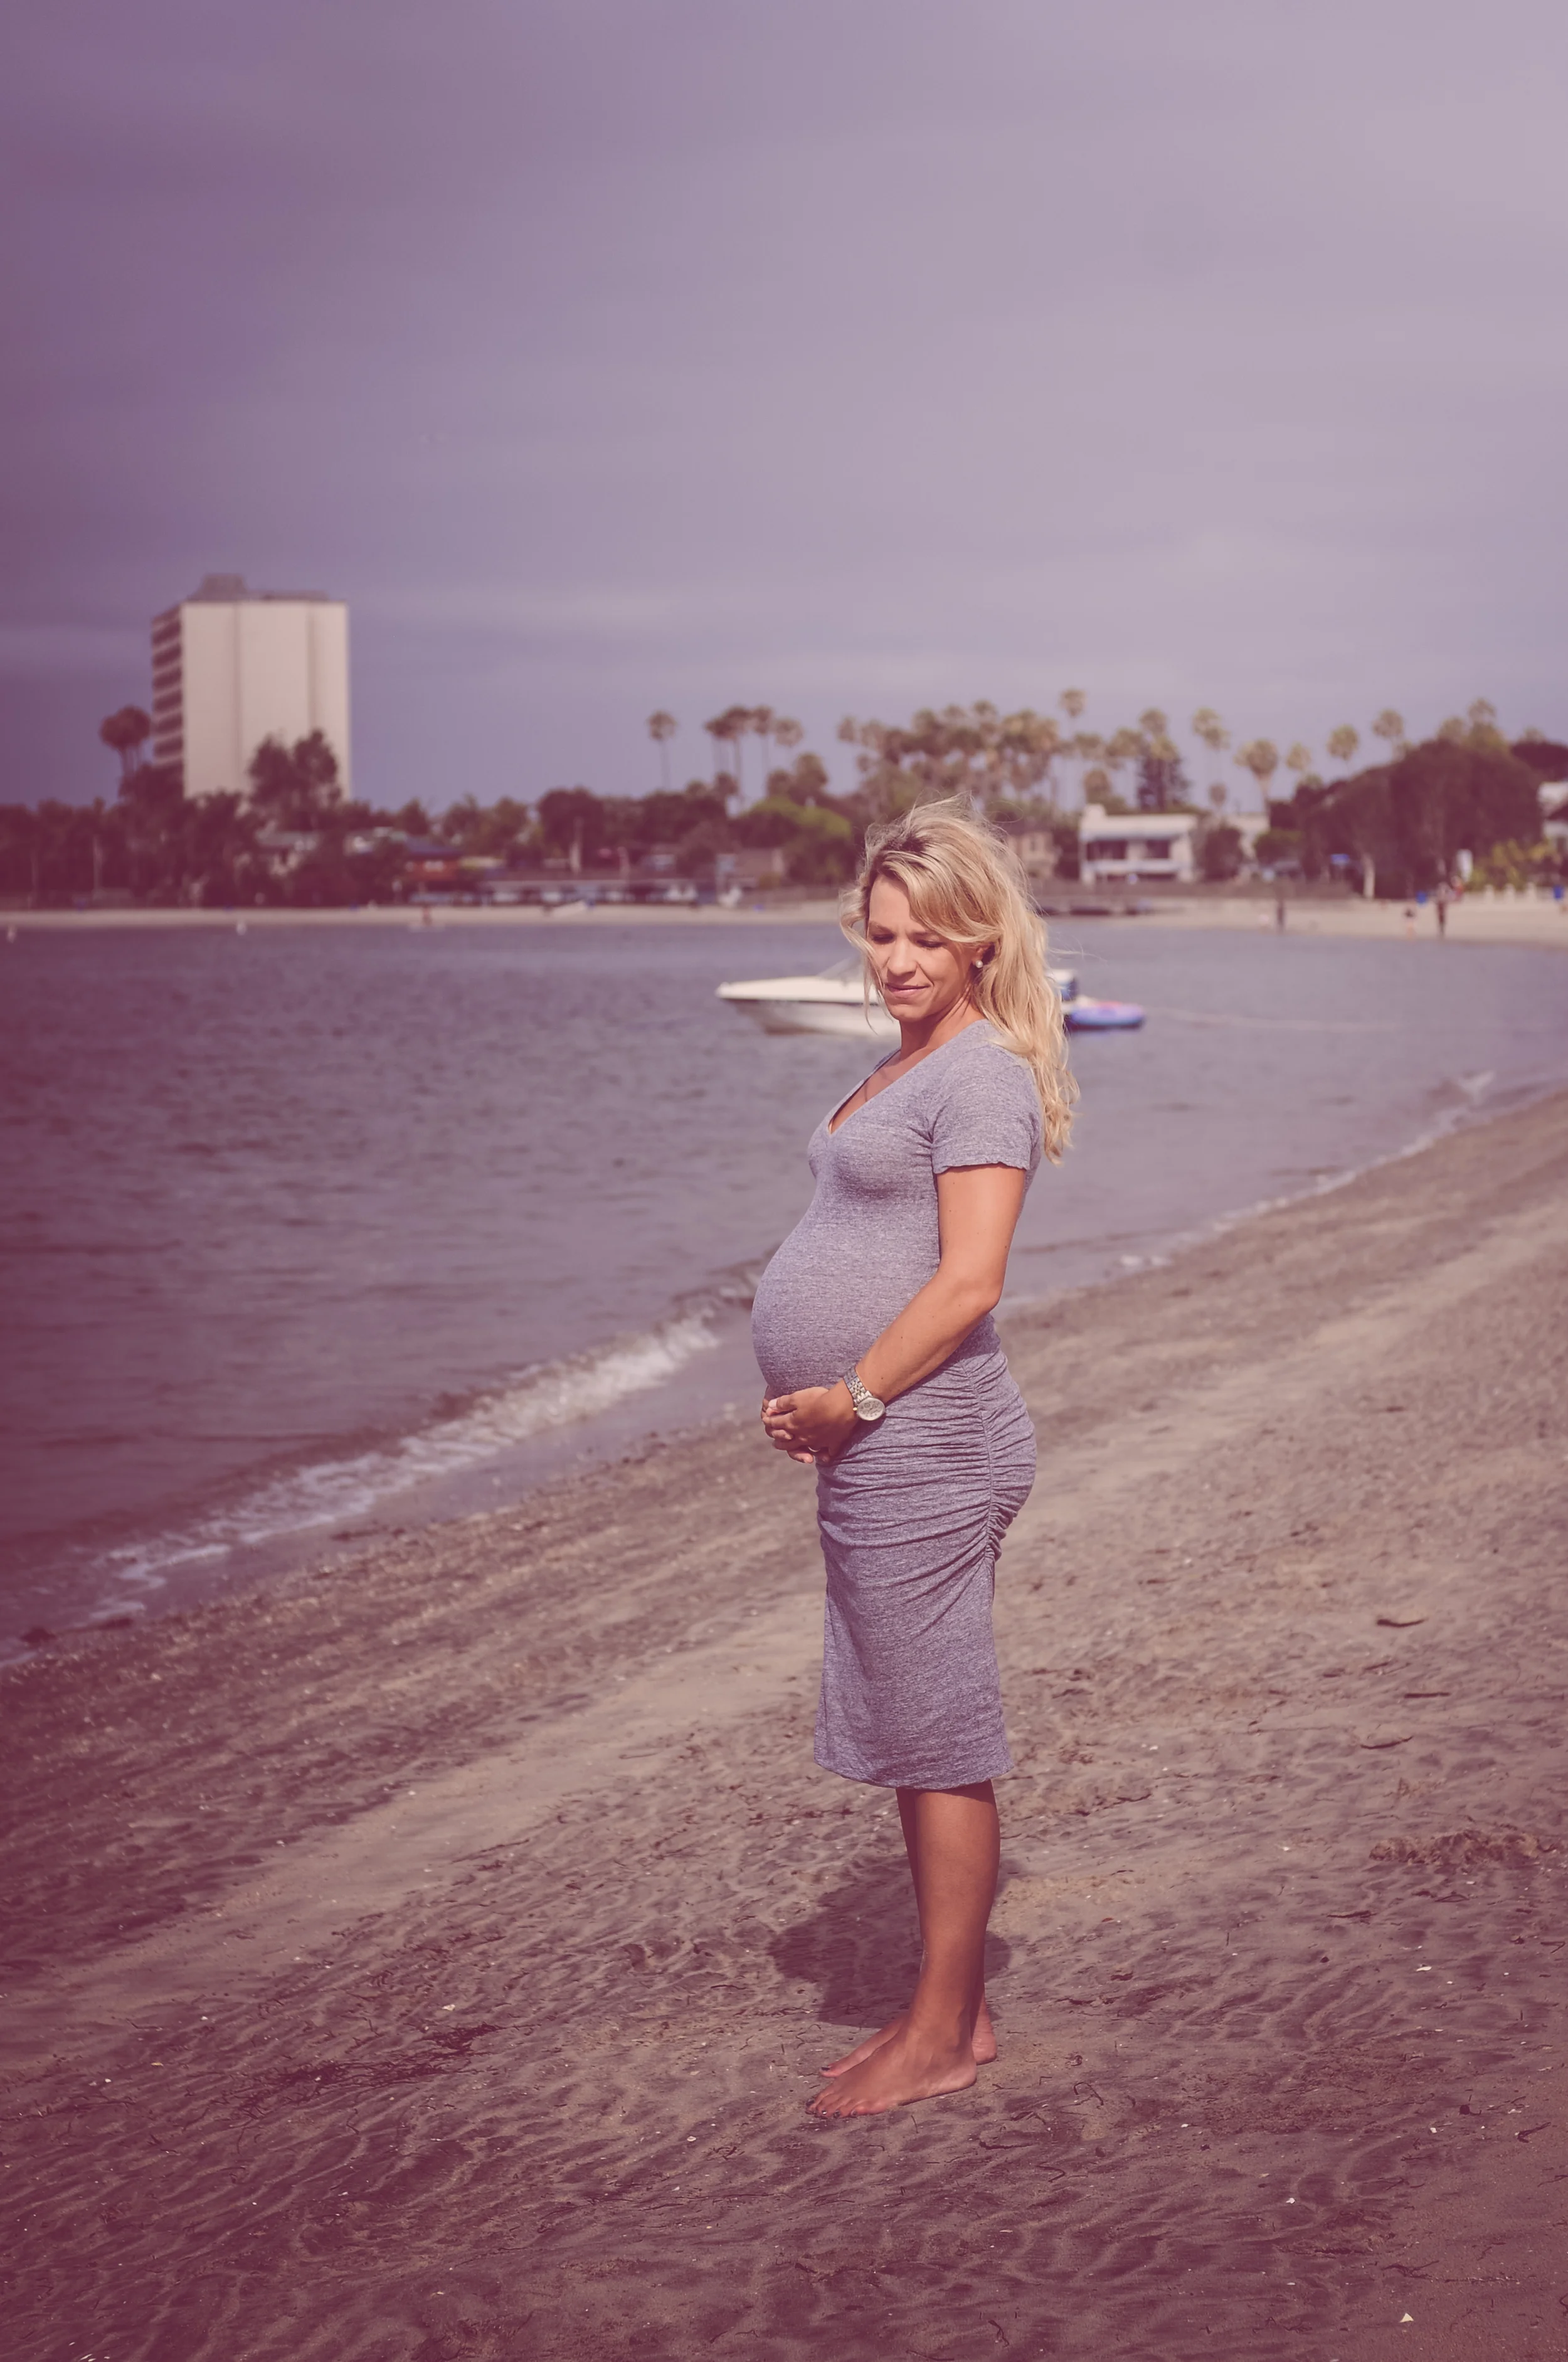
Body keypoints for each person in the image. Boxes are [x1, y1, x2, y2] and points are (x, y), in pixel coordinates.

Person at [751, 800, 1075, 2117]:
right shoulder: (903, 1062)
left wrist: (852, 1397)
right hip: (879, 1438)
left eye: (923, 938)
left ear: (977, 943)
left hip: (925, 1434)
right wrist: (826, 1400)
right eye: (878, 934)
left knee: (936, 1731)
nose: (894, 958)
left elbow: (969, 1279)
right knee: (904, 1716)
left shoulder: (980, 1072)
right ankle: (956, 2006)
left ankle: (940, 2029)